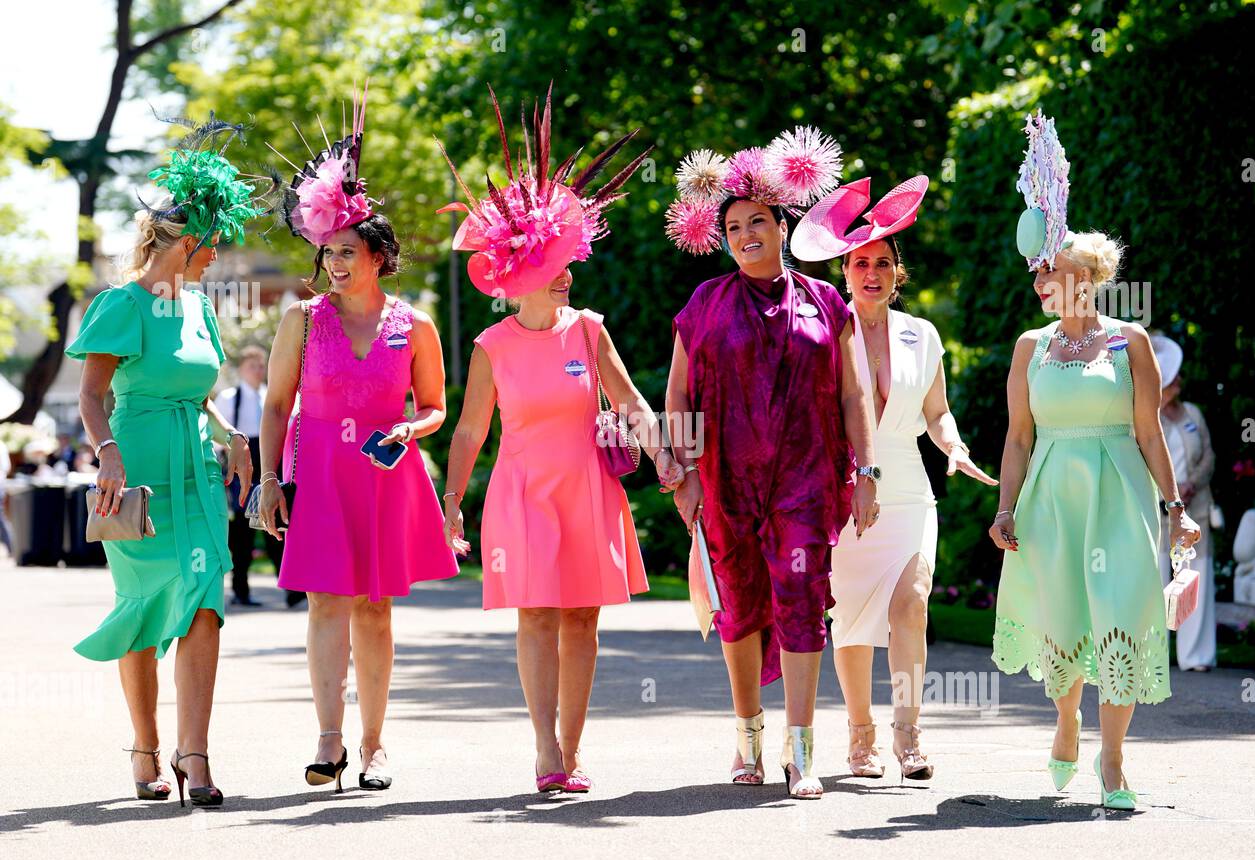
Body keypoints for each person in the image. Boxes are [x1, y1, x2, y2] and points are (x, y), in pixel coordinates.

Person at [440, 86, 677, 793]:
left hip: (588, 489)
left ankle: (571, 751)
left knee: (583, 620)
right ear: (522, 274)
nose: (569, 271)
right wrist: (452, 502)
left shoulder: (590, 328)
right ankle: (545, 748)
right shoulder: (492, 344)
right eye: (555, 263)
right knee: (537, 616)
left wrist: (665, 455)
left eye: (570, 260)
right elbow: (471, 429)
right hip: (522, 491)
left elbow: (631, 399)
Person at [990, 112, 1200, 811]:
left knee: (1121, 614)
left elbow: (1148, 434)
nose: (1042, 277)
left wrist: (1175, 511)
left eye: (1054, 269)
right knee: (1064, 618)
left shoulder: (1129, 342)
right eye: (1041, 269)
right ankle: (1066, 720)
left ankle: (1112, 761)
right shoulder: (1029, 346)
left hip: (1121, 498)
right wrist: (1004, 508)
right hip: (1052, 496)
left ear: (1089, 277)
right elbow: (1018, 437)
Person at [664, 130, 879, 798]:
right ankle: (747, 741)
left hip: (808, 482)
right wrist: (687, 471)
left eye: (758, 220)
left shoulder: (826, 301)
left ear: (782, 225)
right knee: (741, 608)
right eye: (733, 226)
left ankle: (802, 755)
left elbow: (852, 393)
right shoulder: (704, 305)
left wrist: (867, 473)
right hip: (727, 482)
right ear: (722, 237)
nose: (746, 233)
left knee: (804, 606)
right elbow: (677, 393)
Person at [260, 88, 459, 792]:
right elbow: (277, 404)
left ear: (377, 254)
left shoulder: (418, 324)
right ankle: (329, 737)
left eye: (347, 251)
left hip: (385, 474)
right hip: (317, 472)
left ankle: (375, 746)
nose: (336, 263)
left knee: (376, 607)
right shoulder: (300, 320)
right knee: (323, 601)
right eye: (328, 252)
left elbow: (436, 407)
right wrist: (264, 480)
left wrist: (412, 426)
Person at [64, 116, 263, 806]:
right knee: (145, 611)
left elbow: (198, 391)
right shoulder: (121, 306)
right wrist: (108, 453)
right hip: (135, 479)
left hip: (199, 474)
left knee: (205, 601)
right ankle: (145, 748)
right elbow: (92, 396)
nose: (219, 256)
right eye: (214, 244)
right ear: (187, 239)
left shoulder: (203, 307)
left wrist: (229, 433)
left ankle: (195, 754)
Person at [790, 174, 997, 782]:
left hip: (908, 486)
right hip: (845, 483)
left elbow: (936, 412)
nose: (872, 272)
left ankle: (909, 735)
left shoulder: (922, 335)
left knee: (912, 605)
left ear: (896, 272)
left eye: (882, 262)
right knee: (850, 614)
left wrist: (954, 448)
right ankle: (861, 738)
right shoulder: (825, 331)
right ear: (844, 270)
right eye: (860, 262)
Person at [214, 345, 303, 607]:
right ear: (242, 369)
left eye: (261, 365)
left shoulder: (270, 396)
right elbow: (219, 436)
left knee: (275, 523)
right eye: (252, 365)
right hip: (241, 467)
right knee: (242, 531)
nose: (258, 370)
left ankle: (291, 589)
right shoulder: (229, 397)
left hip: (268, 464)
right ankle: (240, 589)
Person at [1152, 335, 1217, 671]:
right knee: (1157, 580)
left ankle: (1196, 656)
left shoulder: (1193, 413)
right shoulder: (1147, 419)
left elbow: (1208, 454)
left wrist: (1192, 484)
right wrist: (1170, 492)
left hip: (1197, 509)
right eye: (1171, 377)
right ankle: (1153, 657)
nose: (1178, 381)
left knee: (1195, 576)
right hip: (1159, 513)